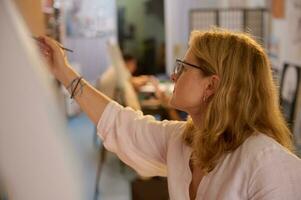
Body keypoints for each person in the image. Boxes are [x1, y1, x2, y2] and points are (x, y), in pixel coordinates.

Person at [37, 29, 301, 200]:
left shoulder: (268, 164)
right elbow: (120, 123)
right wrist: (62, 70)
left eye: (183, 67)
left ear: (211, 85)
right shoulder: (183, 140)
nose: (174, 75)